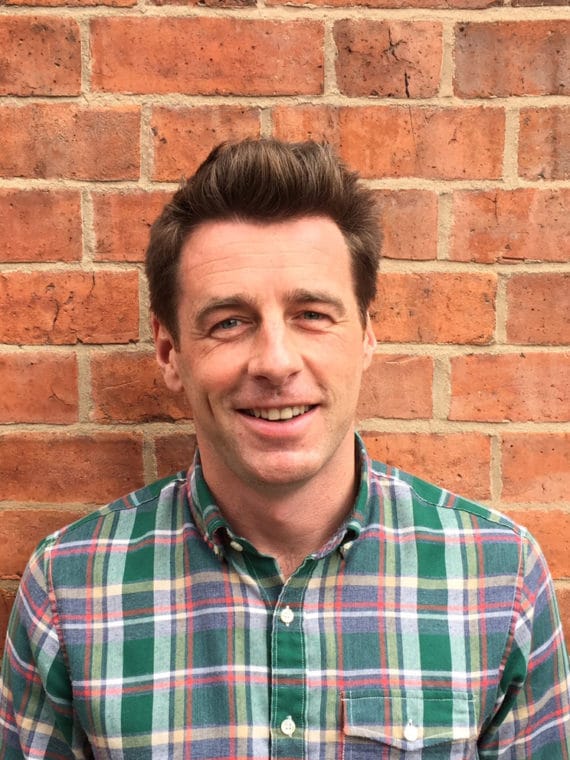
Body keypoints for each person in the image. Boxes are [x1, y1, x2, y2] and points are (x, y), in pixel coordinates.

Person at [1, 138, 568, 759]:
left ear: (366, 335)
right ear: (169, 352)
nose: (275, 362)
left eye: (312, 314)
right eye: (229, 322)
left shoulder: (499, 580)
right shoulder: (69, 593)